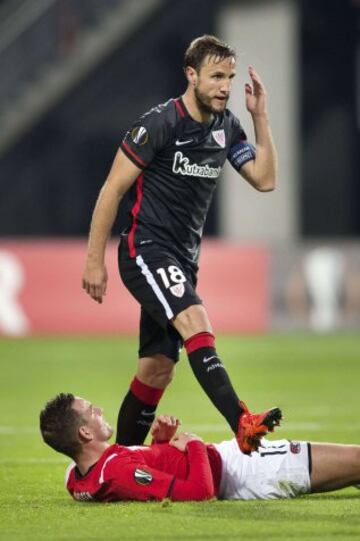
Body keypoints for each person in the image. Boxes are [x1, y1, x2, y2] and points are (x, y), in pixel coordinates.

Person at [81, 35, 280, 454]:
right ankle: (241, 421)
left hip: (183, 260)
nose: (225, 86)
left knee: (156, 372)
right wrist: (93, 262)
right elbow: (111, 190)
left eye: (229, 76)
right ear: (191, 76)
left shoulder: (227, 127)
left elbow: (264, 179)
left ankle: (118, 462)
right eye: (215, 77)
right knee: (196, 320)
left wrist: (259, 116)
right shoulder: (158, 124)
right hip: (145, 249)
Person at [40, 393, 360, 503]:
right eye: (92, 411)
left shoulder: (77, 476)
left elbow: (146, 477)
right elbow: (200, 492)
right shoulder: (117, 470)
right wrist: (192, 444)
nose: (100, 411)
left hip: (233, 463)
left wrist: (161, 443)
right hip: (247, 473)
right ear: (84, 432)